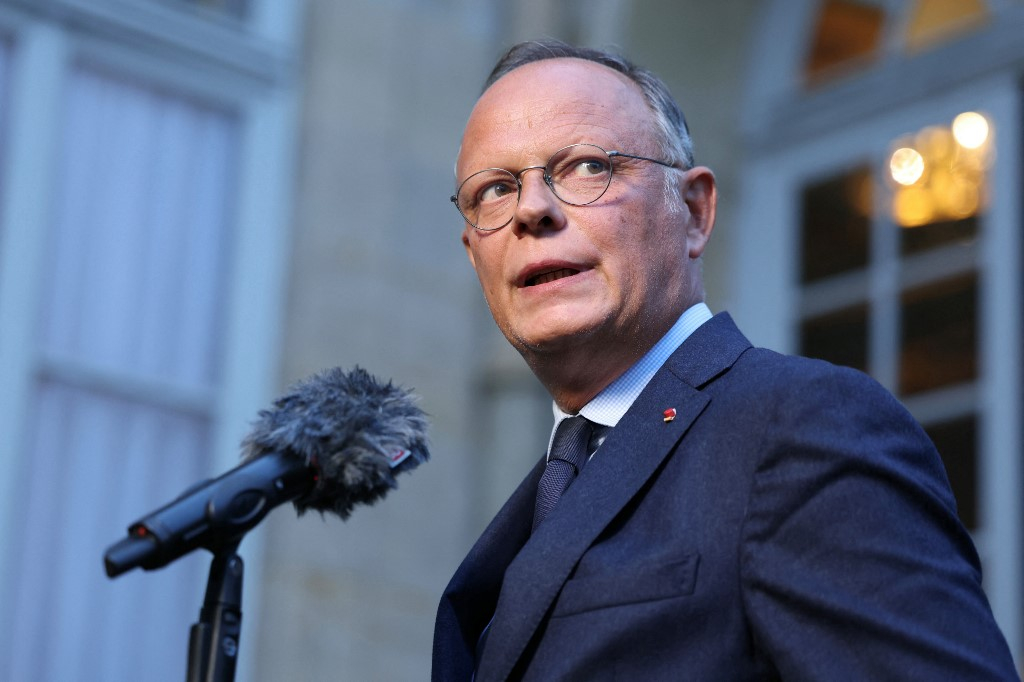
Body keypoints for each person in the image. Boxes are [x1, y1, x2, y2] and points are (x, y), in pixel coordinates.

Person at [432, 39, 1018, 681]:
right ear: (473, 253)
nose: (530, 209)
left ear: (693, 212)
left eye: (586, 167)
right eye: (495, 189)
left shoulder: (802, 425)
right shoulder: (548, 493)